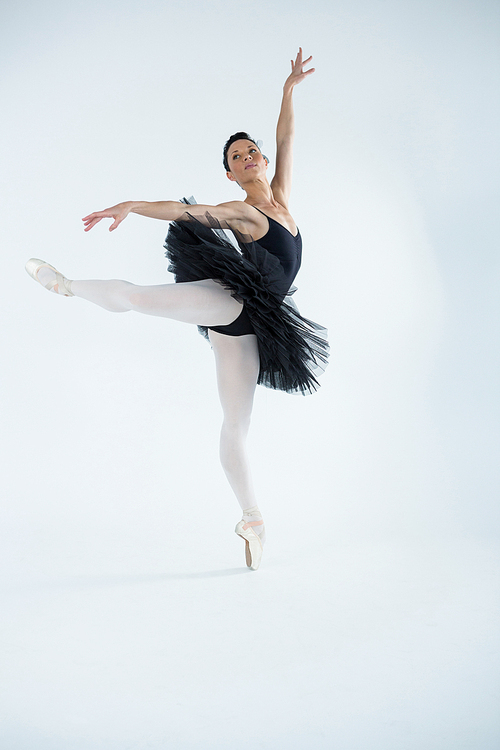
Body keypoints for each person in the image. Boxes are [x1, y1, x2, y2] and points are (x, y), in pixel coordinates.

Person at [25, 48, 328, 571]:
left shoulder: (281, 196)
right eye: (236, 156)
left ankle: (252, 519)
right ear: (231, 176)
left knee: (235, 425)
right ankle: (68, 286)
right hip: (228, 298)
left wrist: (288, 90)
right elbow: (185, 211)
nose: (248, 155)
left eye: (250, 149)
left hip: (253, 326)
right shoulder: (243, 211)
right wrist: (133, 205)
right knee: (142, 297)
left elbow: (287, 138)